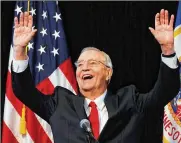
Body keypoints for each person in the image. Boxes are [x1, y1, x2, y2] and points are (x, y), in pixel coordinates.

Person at [11, 9, 180, 143]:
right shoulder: (60, 104)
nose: (84, 68)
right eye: (80, 64)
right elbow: (24, 92)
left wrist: (167, 50)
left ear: (108, 73)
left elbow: (164, 92)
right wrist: (19, 52)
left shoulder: (130, 102)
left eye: (92, 63)